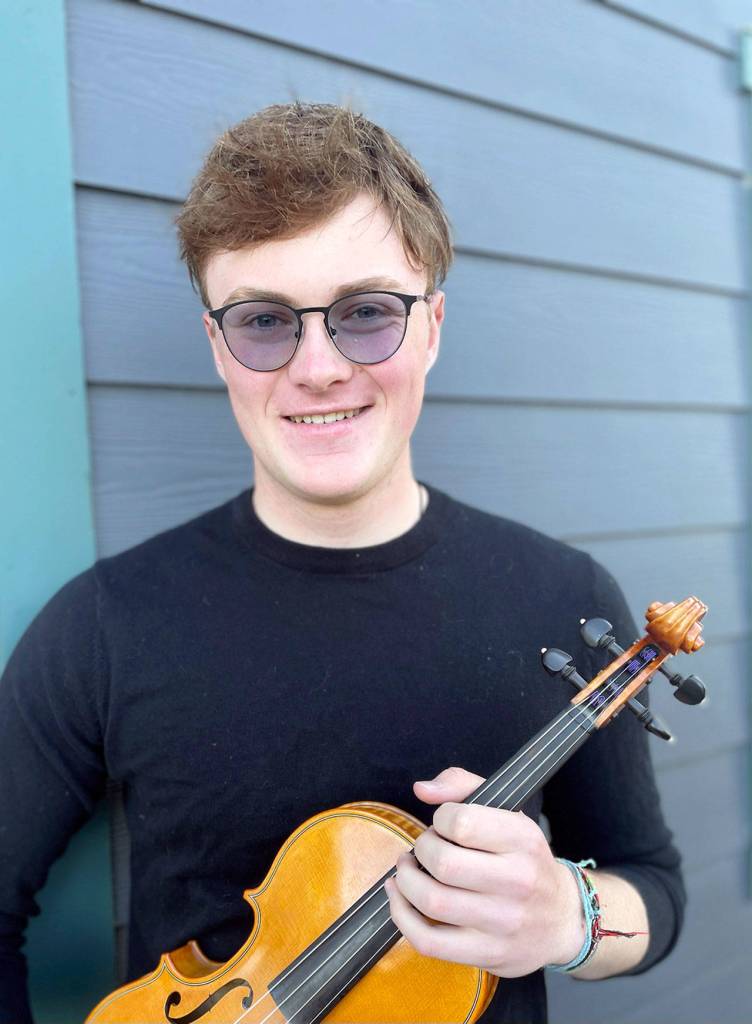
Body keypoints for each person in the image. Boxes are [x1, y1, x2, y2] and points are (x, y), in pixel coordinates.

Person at [0, 102, 684, 1023]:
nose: (318, 367)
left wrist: (572, 917)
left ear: (431, 328)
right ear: (217, 348)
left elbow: (656, 893)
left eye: (366, 314)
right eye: (264, 322)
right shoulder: (102, 625)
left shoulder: (565, 600)